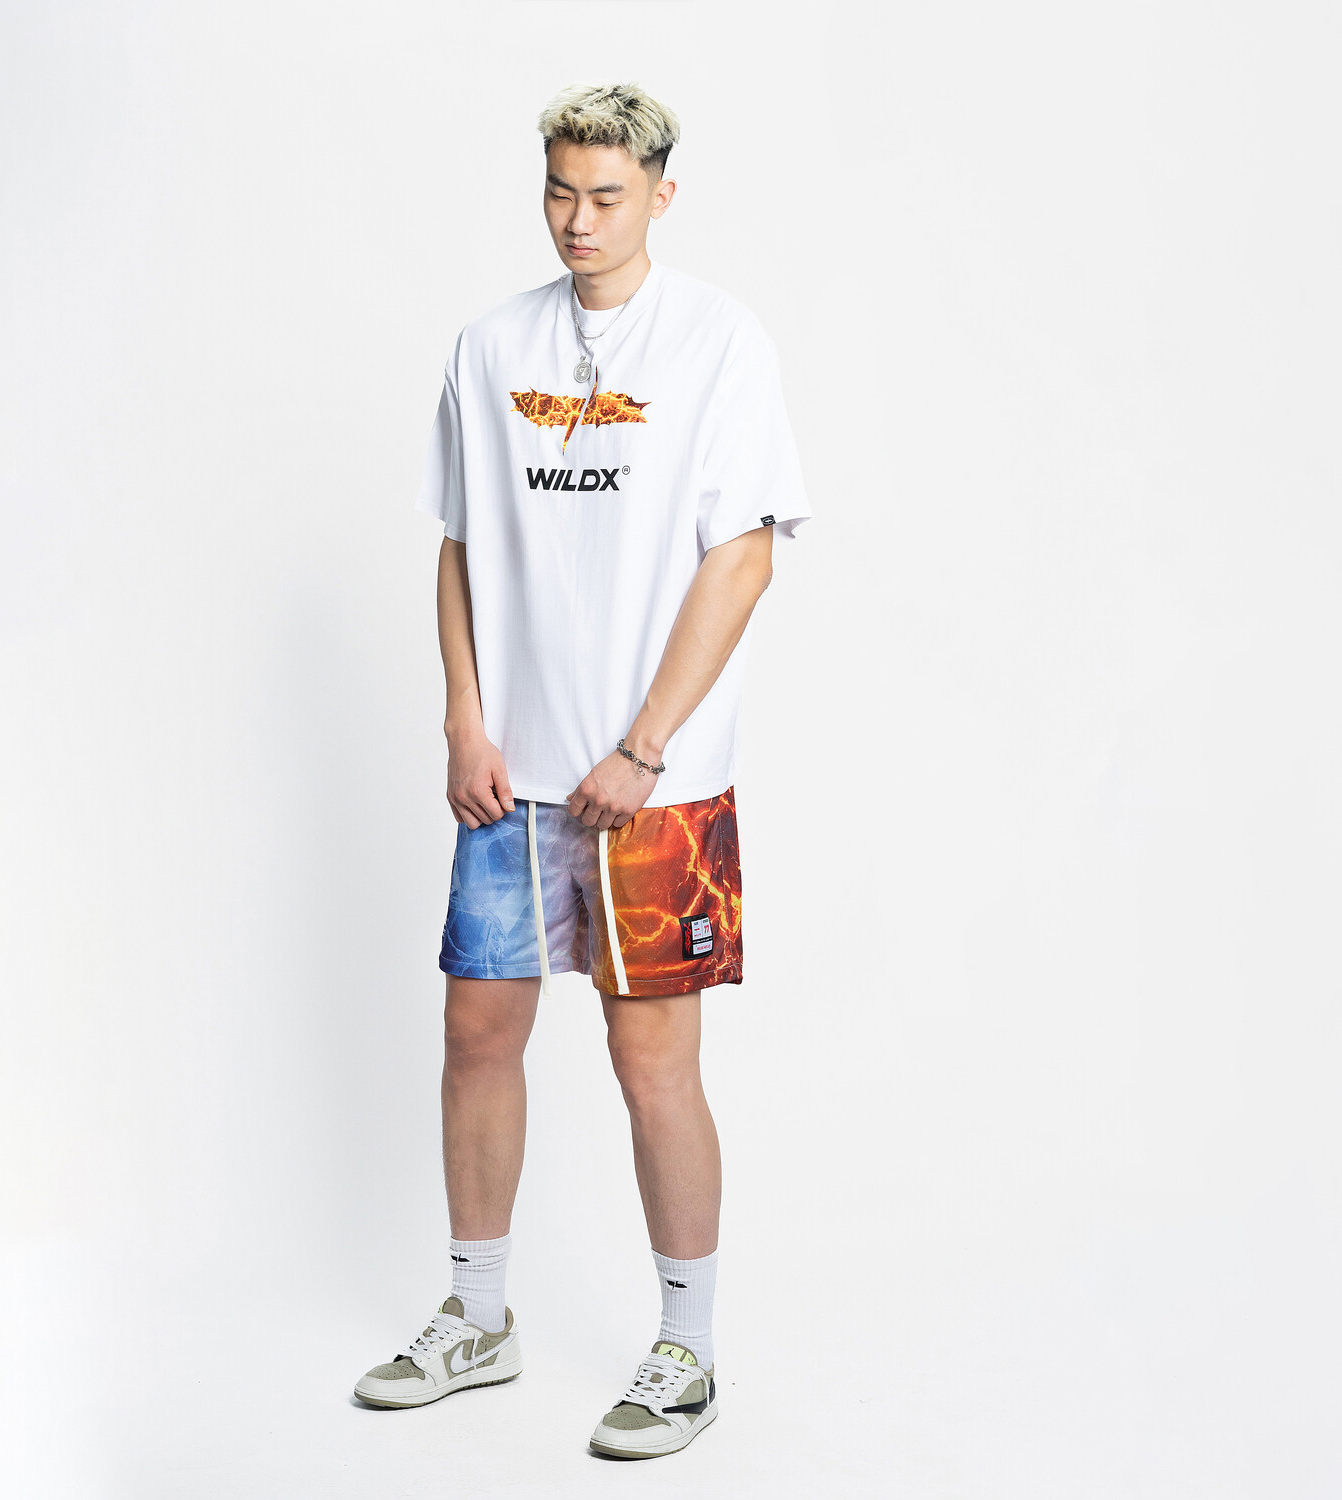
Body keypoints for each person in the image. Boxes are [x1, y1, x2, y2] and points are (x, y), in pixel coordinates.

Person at [353, 79, 811, 1459]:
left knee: (649, 1061)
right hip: (512, 774)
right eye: (559, 190)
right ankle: (477, 1314)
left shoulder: (720, 343)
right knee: (476, 1035)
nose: (578, 219)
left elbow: (744, 557)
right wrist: (463, 715)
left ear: (661, 196)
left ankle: (688, 1351)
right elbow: (459, 543)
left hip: (654, 785)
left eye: (607, 195)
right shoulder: (490, 346)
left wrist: (643, 744)